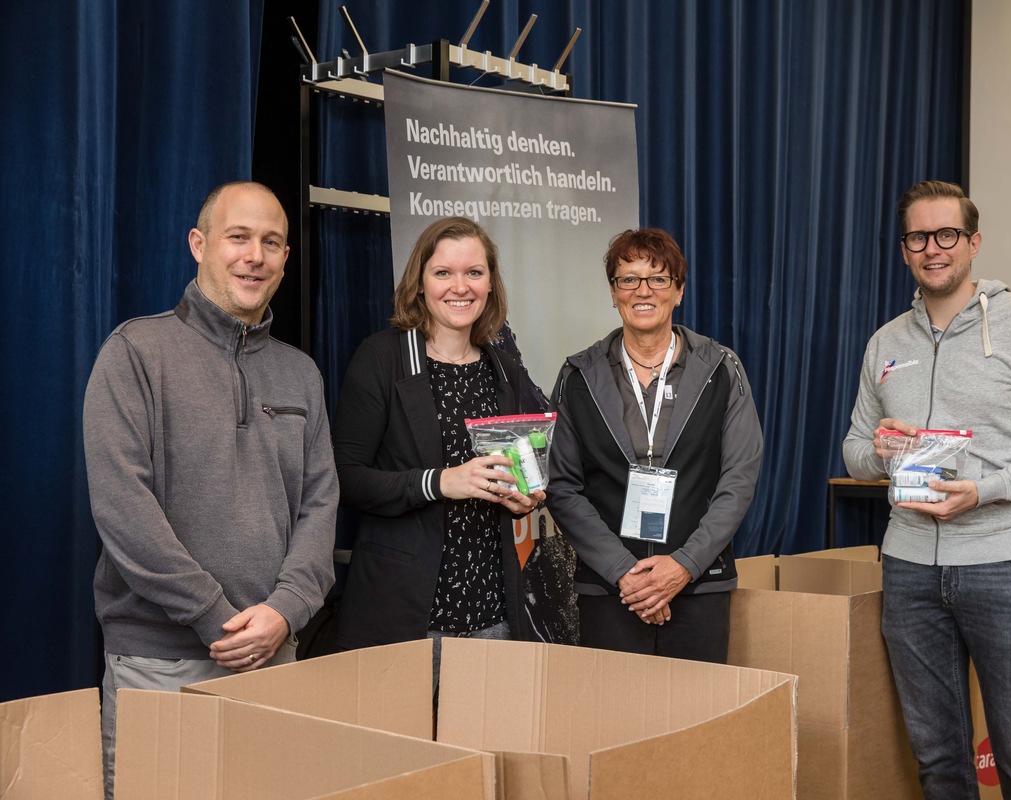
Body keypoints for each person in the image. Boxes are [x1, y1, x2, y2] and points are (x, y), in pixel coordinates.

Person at [842, 180, 1011, 799]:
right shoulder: (885, 342)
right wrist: (880, 453)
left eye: (947, 234)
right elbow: (854, 452)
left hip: (1008, 566)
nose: (933, 248)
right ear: (904, 248)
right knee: (938, 764)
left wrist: (988, 490)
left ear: (973, 242)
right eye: (918, 236)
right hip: (909, 571)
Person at [84, 181, 338, 799]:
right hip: (160, 664)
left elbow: (320, 505)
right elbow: (124, 510)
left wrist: (285, 612)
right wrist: (216, 620)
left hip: (276, 657)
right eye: (239, 237)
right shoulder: (135, 354)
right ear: (199, 245)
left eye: (272, 242)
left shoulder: (300, 373)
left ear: (285, 260)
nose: (255, 255)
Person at [546, 227, 763, 663]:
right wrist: (625, 572)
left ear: (679, 291)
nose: (643, 291)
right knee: (614, 723)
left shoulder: (723, 369)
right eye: (628, 279)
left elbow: (738, 478)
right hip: (609, 588)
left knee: (698, 719)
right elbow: (561, 485)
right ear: (613, 292)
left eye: (658, 278)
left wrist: (682, 565)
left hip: (699, 582)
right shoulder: (577, 376)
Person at [331, 217, 544, 662]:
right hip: (404, 616)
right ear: (420, 283)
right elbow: (345, 479)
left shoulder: (504, 369)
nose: (460, 287)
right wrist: (439, 482)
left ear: (490, 285)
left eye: (474, 273)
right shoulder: (382, 358)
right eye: (443, 272)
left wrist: (529, 493)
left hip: (493, 617)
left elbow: (526, 463)